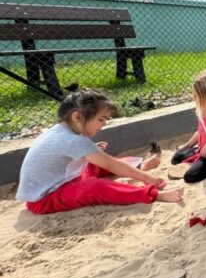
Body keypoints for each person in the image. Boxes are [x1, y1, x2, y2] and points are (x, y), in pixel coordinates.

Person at [16, 89, 183, 214]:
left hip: (64, 180)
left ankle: (138, 167)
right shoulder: (72, 140)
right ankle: (154, 194)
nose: (103, 125)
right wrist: (148, 179)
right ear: (77, 117)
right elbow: (110, 164)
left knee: (98, 163)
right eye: (101, 119)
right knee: (95, 186)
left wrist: (92, 151)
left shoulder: (61, 131)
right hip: (45, 198)